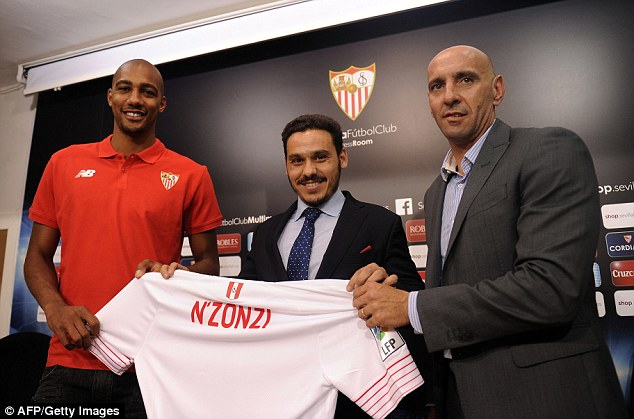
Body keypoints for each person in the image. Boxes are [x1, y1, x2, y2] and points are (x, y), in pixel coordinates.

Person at [348, 45, 628, 419]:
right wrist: (391, 292)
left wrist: (410, 307)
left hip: (547, 398)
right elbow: (458, 291)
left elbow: (550, 289)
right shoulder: (436, 192)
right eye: (436, 86)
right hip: (460, 399)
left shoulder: (547, 150)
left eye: (465, 79)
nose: (449, 95)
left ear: (496, 90)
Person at [24, 59, 223, 416]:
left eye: (148, 92)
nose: (135, 99)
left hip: (149, 367)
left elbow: (210, 264)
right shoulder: (63, 163)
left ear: (161, 103)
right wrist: (54, 309)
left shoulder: (191, 174)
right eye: (125, 88)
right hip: (69, 359)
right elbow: (37, 255)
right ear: (110, 96)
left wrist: (179, 275)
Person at [239, 113, 428, 418]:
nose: (309, 171)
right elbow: (238, 302)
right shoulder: (264, 234)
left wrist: (388, 291)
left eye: (320, 157)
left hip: (358, 403)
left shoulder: (380, 223)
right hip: (283, 398)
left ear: (342, 158)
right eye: (297, 160)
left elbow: (411, 304)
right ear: (286, 165)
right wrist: (180, 283)